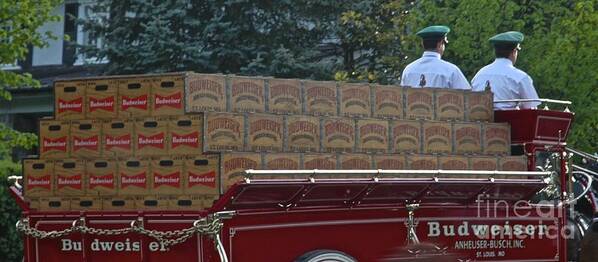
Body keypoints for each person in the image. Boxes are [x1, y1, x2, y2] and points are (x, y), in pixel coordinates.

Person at [471, 31, 540, 109]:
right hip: (509, 120)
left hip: (480, 119)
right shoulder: (520, 77)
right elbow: (531, 108)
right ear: (514, 52)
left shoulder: (479, 74)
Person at [400, 25, 471, 89]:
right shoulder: (451, 70)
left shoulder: (408, 70)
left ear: (423, 44)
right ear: (440, 44)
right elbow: (467, 96)